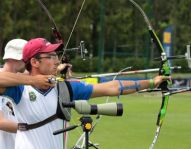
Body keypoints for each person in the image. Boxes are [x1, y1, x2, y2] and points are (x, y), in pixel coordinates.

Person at [0, 38, 170, 149]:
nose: (57, 60)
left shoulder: (64, 88)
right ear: (35, 62)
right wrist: (33, 81)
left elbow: (112, 87)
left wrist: (150, 82)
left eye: (56, 56)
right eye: (50, 56)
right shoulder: (20, 88)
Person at [0, 39, 27, 149]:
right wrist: (32, 128)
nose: (27, 62)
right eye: (24, 58)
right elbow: (0, 122)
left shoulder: (21, 78)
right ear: (13, 58)